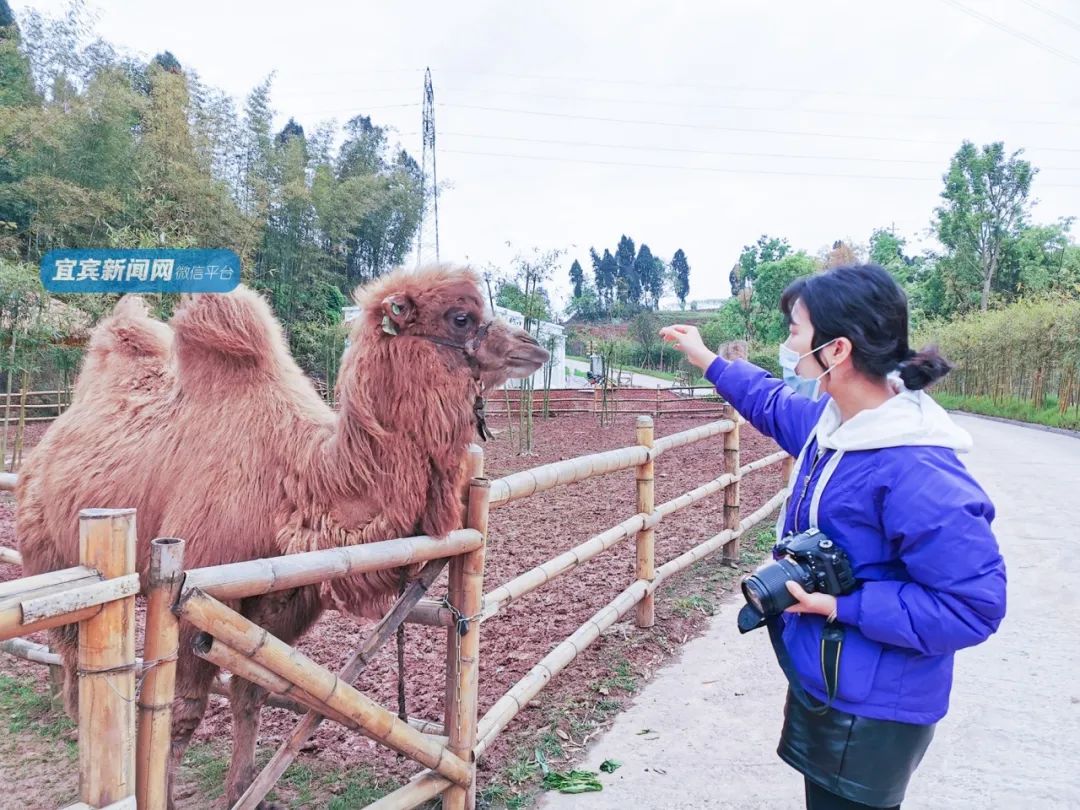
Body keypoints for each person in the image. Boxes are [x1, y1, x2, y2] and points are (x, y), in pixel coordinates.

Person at [660, 264, 1007, 810]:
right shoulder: (841, 430)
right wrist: (707, 358)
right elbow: (773, 404)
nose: (787, 346)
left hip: (875, 710)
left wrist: (843, 605)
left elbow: (973, 607)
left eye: (796, 332)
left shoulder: (917, 470)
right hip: (835, 683)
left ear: (836, 349)